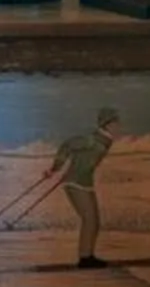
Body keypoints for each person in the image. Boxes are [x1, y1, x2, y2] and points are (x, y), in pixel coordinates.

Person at [52, 108, 125, 268]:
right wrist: (56, 167)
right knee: (90, 220)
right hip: (75, 182)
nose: (118, 126)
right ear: (106, 125)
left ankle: (88, 257)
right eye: (115, 122)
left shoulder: (105, 140)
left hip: (85, 183)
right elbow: (67, 145)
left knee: (94, 221)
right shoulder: (92, 140)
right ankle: (85, 259)